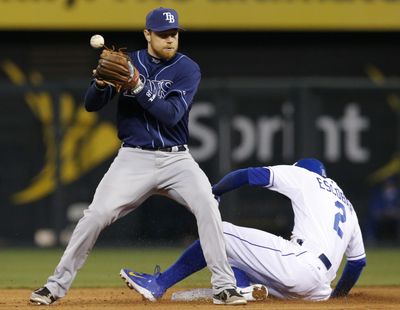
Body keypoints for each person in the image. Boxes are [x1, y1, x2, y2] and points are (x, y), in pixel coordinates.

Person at [29, 7, 246, 306]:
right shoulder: (129, 62)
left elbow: (171, 116)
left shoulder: (187, 68)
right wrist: (101, 83)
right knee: (95, 216)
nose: (170, 40)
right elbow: (91, 105)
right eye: (163, 34)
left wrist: (138, 86)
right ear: (147, 34)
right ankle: (54, 286)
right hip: (133, 159)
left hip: (176, 160)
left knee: (208, 205)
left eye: (174, 34)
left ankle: (224, 287)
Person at [120, 158, 366, 301]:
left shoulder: (304, 176)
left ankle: (159, 284)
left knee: (220, 232)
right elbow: (357, 263)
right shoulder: (349, 207)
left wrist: (214, 191)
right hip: (317, 290)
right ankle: (244, 289)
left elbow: (248, 175)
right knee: (236, 257)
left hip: (300, 266)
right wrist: (337, 299)